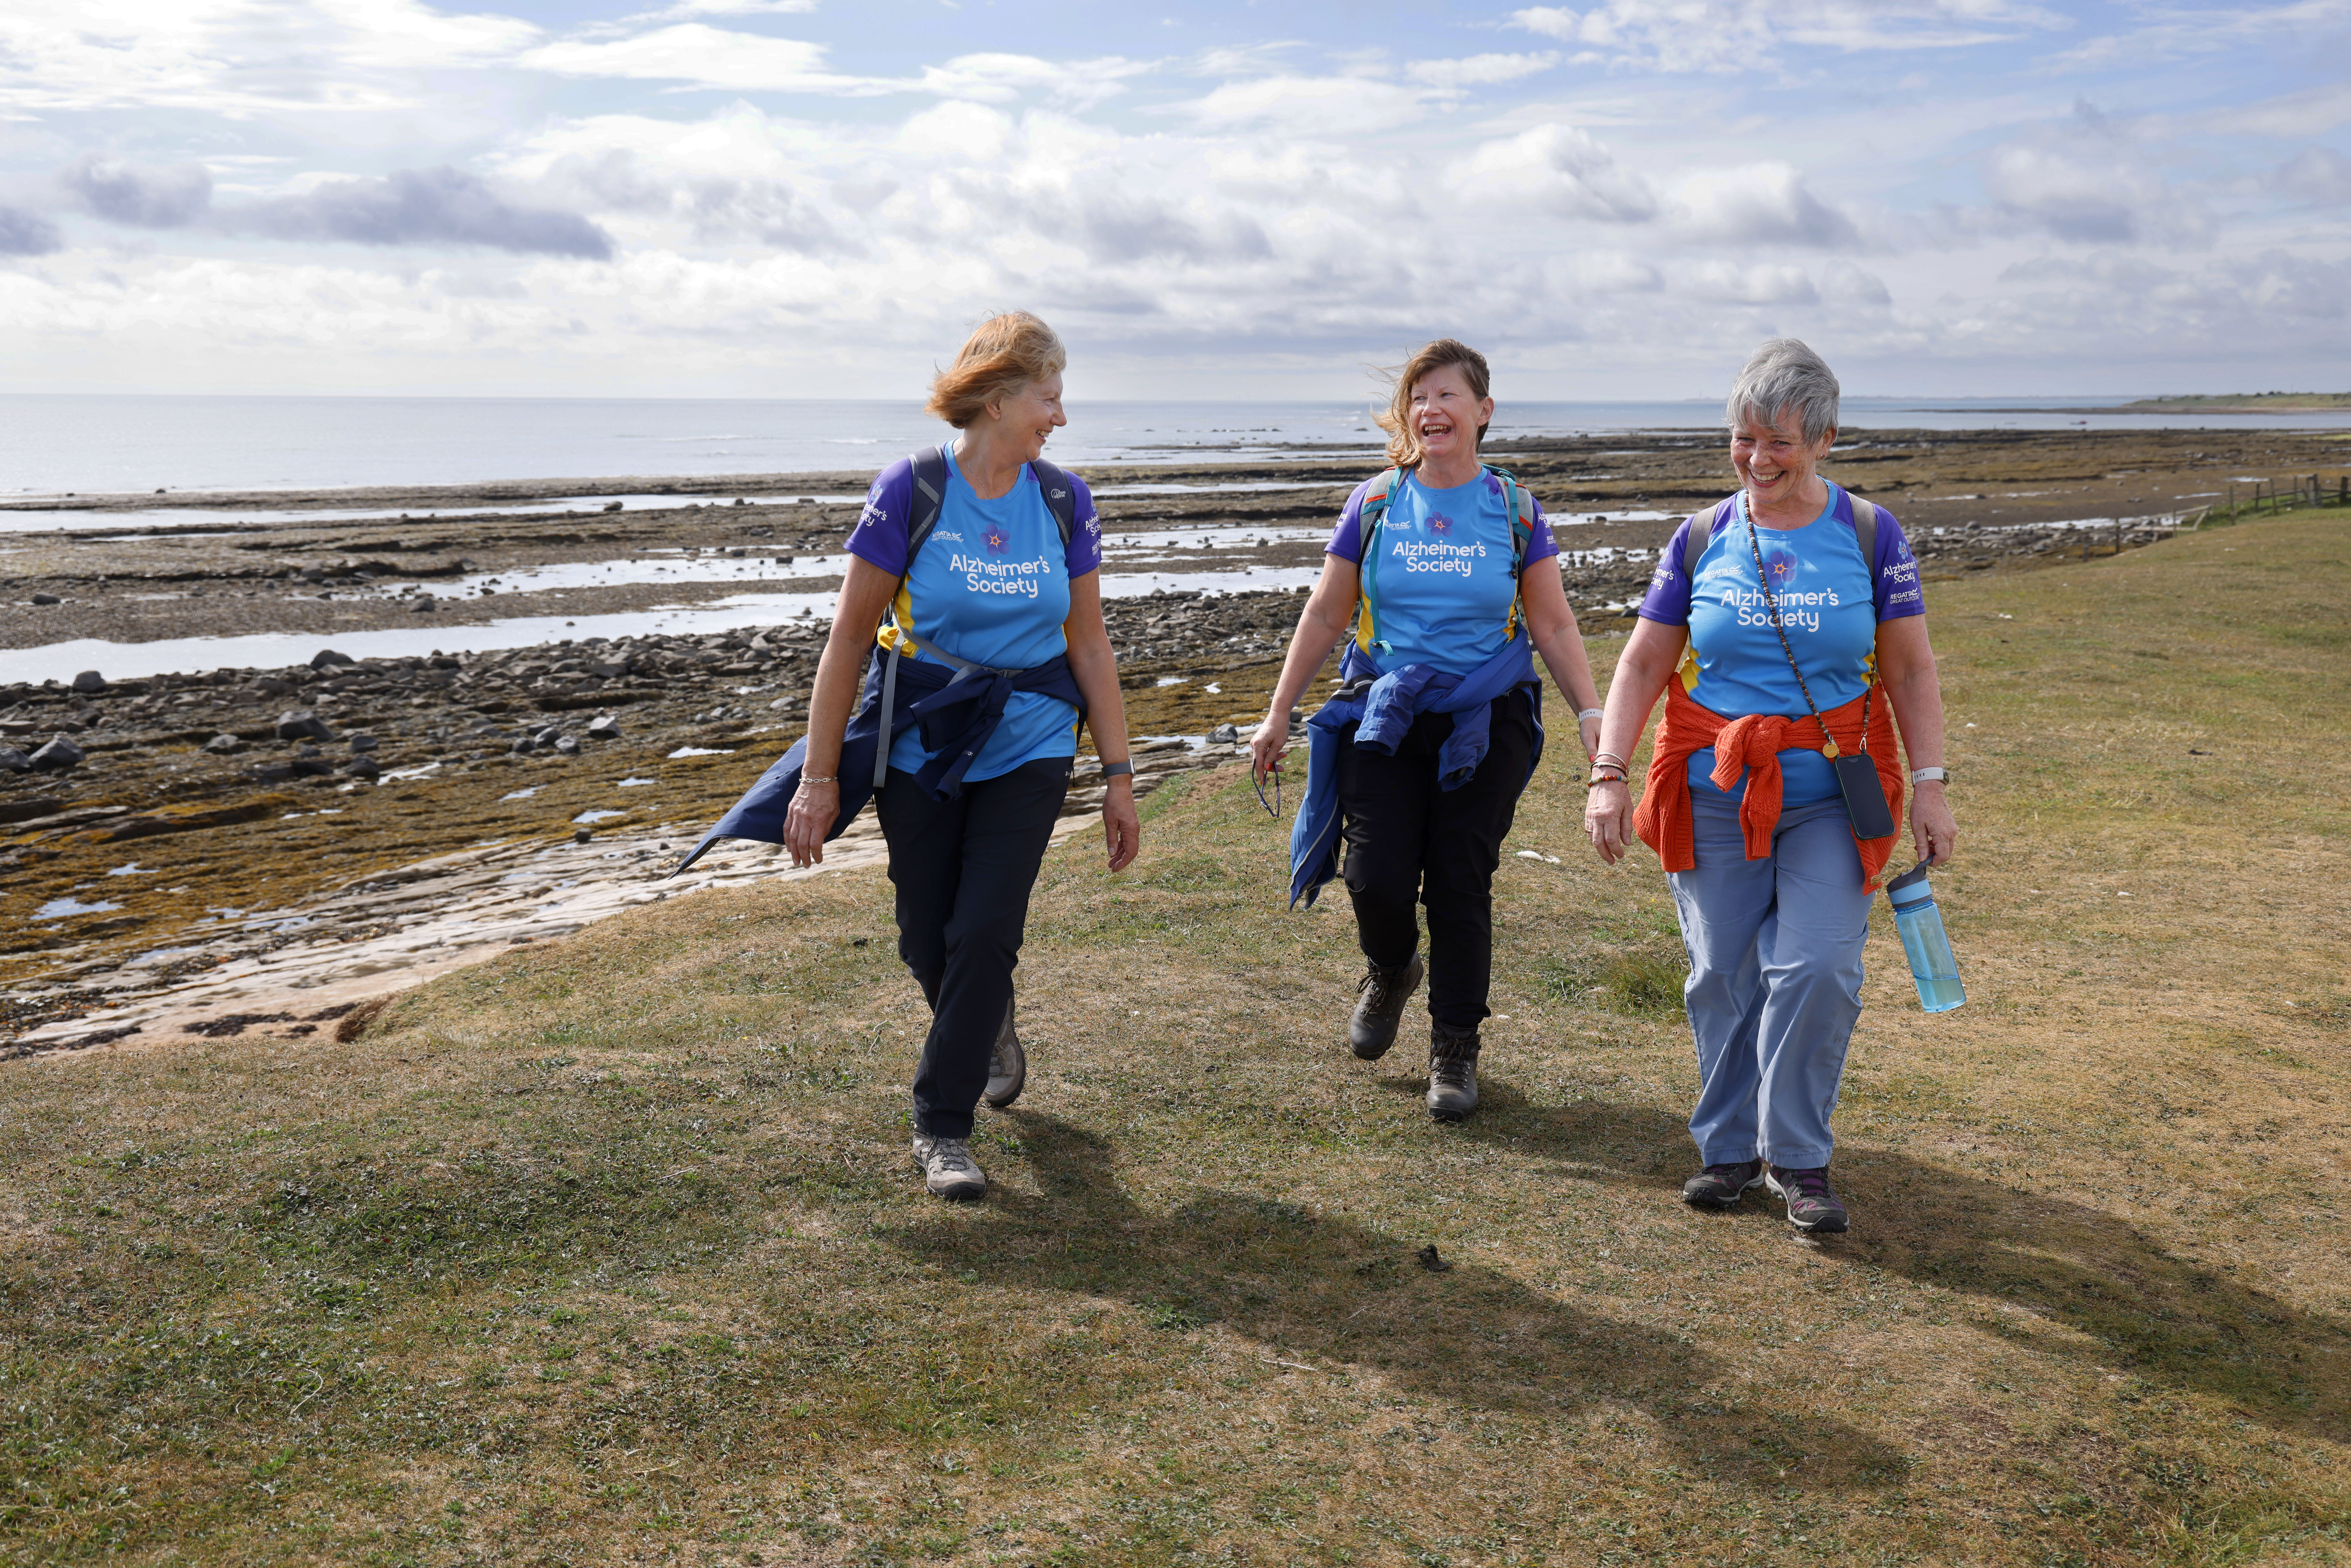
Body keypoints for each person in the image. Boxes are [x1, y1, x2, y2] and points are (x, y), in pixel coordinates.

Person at [1582, 338, 1958, 1235]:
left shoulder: (1870, 535)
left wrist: (1934, 786)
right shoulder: (1701, 535)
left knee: (1816, 968)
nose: (1756, 460)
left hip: (1833, 788)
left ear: (1825, 438)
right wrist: (1607, 774)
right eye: (1741, 440)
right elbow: (1642, 663)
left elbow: (1908, 674)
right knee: (1720, 972)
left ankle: (1798, 1159)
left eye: (1777, 442)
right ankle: (1725, 1150)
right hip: (1711, 786)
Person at [776, 311, 1141, 1201]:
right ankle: (983, 1023)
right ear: (996, 396)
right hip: (921, 744)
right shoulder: (912, 489)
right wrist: (819, 778)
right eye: (1048, 397)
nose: (1058, 417)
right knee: (925, 936)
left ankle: (942, 1126)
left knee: (985, 931)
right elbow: (848, 640)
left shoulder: (1064, 500)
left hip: (1032, 741)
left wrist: (1118, 777)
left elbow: (1089, 645)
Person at [1251, 339, 1605, 1121]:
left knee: (1457, 876)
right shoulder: (1375, 502)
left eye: (1447, 395)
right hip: (1386, 712)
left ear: (1482, 411)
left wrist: (1590, 712)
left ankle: (1454, 1047)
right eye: (1418, 396)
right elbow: (1325, 611)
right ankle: (1389, 968)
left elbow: (1550, 619)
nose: (1430, 408)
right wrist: (1279, 710)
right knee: (1375, 876)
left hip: (1488, 713)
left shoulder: (1512, 509)